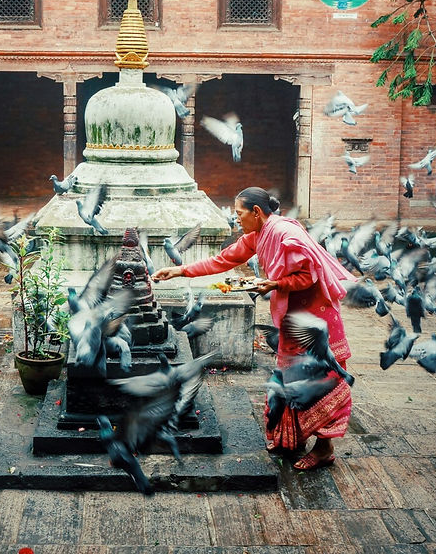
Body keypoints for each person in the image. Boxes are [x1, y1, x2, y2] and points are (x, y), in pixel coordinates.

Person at [152, 187, 355, 470]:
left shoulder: (285, 233)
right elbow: (223, 260)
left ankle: (324, 448)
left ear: (256, 213)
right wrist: (179, 270)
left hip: (314, 319)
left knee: (318, 380)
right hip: (294, 318)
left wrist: (277, 284)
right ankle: (292, 439)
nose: (236, 220)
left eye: (239, 214)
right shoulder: (259, 235)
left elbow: (310, 274)